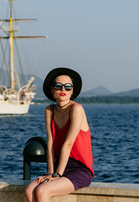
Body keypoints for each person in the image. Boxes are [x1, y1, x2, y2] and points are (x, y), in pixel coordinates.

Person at [25, 67, 94, 202]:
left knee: (42, 190)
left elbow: (68, 144)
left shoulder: (76, 109)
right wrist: (50, 172)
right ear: (52, 89)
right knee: (29, 191)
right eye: (58, 86)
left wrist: (57, 174)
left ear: (72, 90)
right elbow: (50, 142)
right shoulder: (49, 110)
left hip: (80, 170)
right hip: (59, 167)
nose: (63, 90)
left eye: (68, 87)